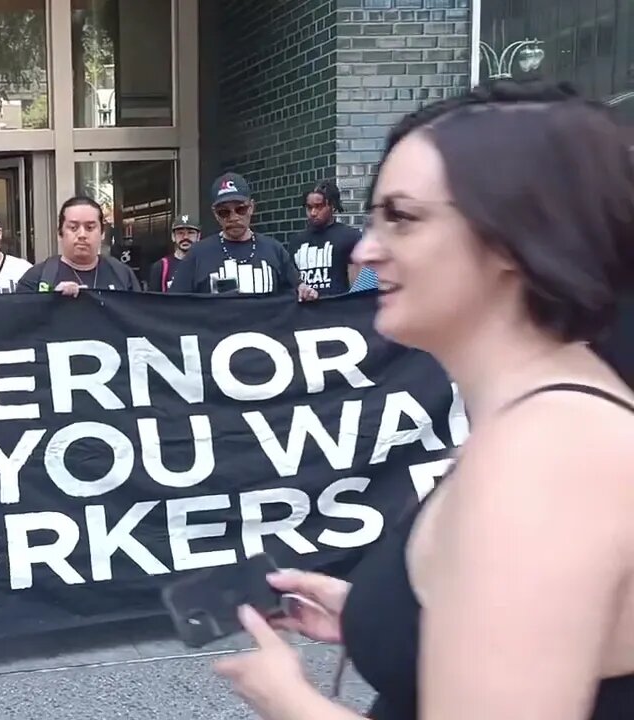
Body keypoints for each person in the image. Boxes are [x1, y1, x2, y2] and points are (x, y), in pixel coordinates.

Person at [216, 80, 634, 720]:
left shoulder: (548, 457)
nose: (367, 250)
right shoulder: (544, 425)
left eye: (403, 218)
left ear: (511, 239)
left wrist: (288, 699)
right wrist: (379, 615)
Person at [168, 172, 318, 301]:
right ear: (215, 214)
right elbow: (174, 304)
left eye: (240, 209)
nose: (234, 217)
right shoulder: (198, 254)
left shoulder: (274, 250)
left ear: (251, 207)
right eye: (224, 212)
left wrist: (304, 291)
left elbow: (296, 291)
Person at [16, 196, 140, 296]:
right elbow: (22, 318)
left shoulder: (122, 274)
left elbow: (137, 315)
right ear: (60, 233)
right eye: (73, 228)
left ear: (102, 233)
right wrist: (51, 299)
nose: (82, 235)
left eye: (90, 227)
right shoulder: (37, 277)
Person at [290, 179, 362, 296]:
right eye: (309, 207)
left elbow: (358, 289)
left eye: (319, 207)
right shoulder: (296, 241)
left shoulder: (350, 237)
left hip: (338, 306)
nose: (313, 213)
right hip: (306, 306)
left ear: (332, 206)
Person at [148, 213, 202, 292]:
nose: (185, 237)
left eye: (190, 233)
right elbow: (153, 298)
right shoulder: (161, 266)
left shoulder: (205, 264)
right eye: (180, 233)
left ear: (198, 236)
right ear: (173, 236)